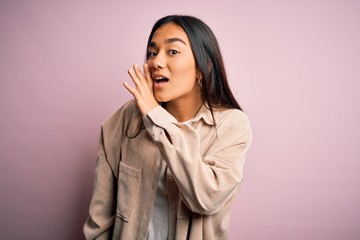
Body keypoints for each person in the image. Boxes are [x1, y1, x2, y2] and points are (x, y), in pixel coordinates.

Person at [83, 15, 252, 240]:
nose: (155, 62)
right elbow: (100, 217)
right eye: (152, 53)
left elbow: (206, 199)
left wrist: (156, 116)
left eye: (172, 51)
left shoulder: (232, 125)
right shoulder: (127, 118)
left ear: (205, 66)